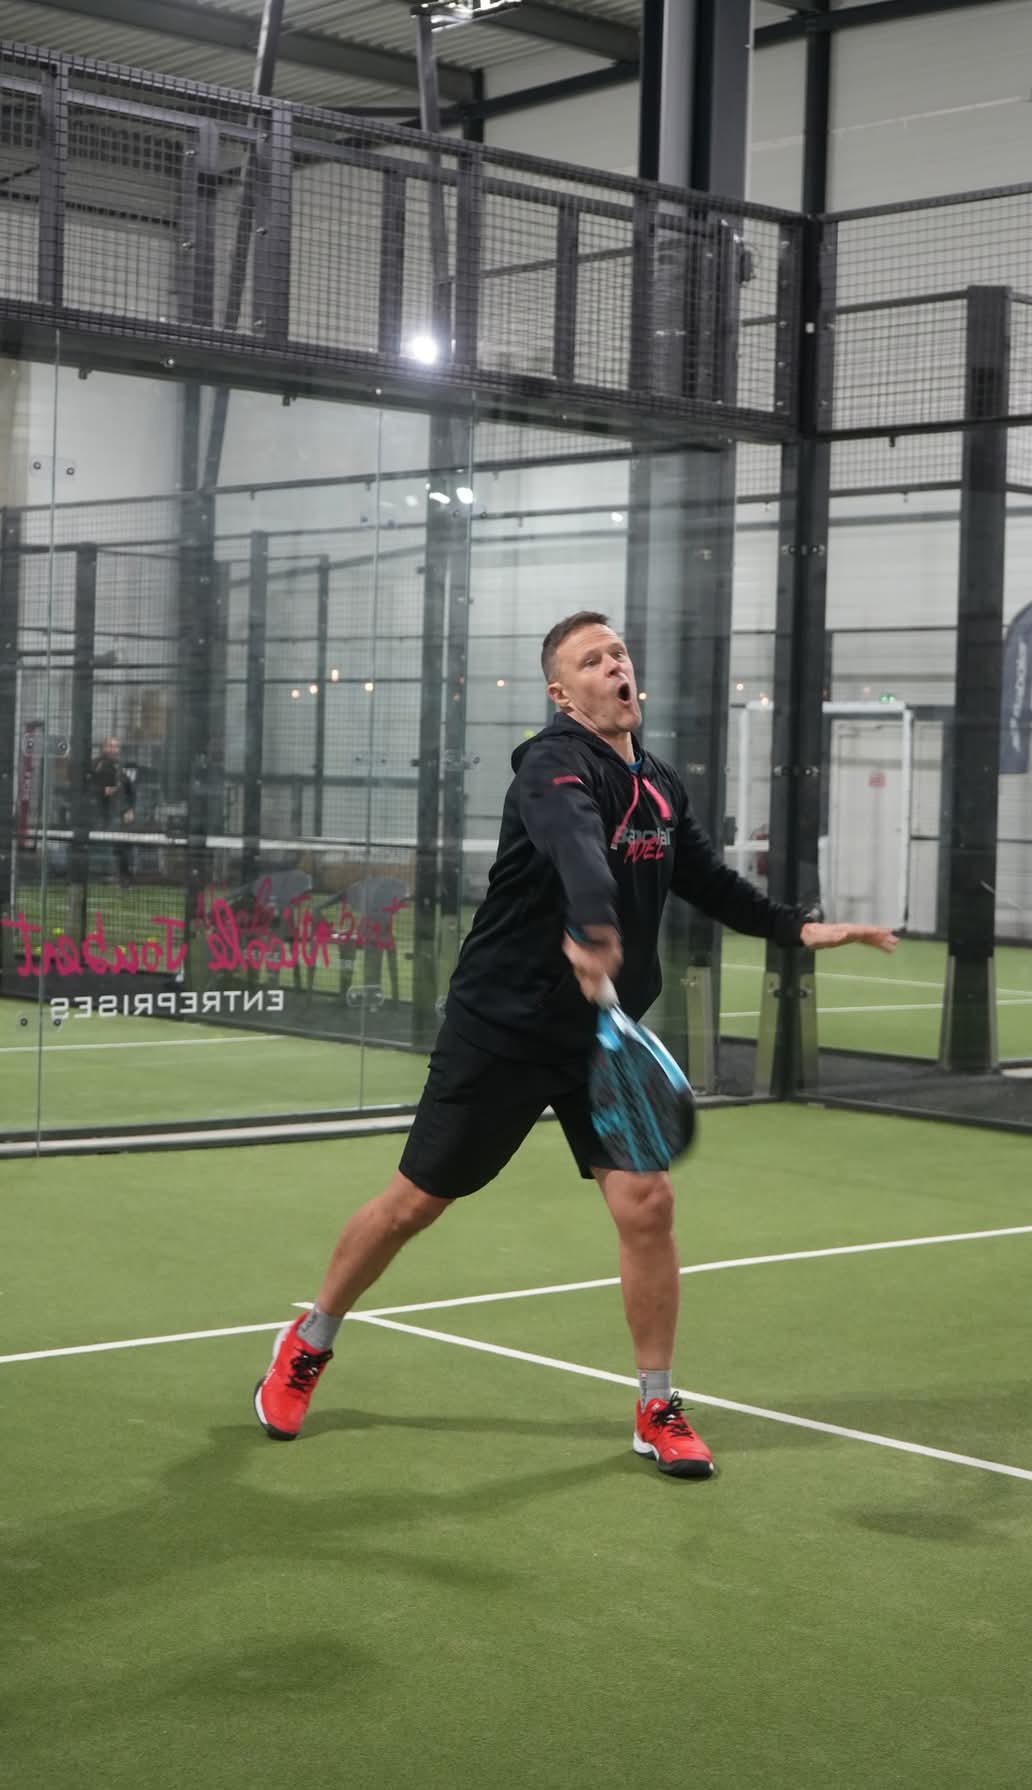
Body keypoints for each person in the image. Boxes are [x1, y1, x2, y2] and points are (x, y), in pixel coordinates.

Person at [254, 613, 898, 1477]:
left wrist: (798, 928)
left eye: (619, 653)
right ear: (564, 694)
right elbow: (576, 846)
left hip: (603, 1038)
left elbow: (703, 877)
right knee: (415, 1204)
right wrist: (595, 925)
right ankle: (311, 1337)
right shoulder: (551, 763)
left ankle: (657, 1403)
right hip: (505, 1029)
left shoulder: (657, 783)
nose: (615, 666)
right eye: (593, 661)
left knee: (649, 1205)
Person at [87, 736, 135, 888]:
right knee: (98, 845)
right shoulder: (96, 764)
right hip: (99, 813)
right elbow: (86, 787)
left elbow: (129, 790)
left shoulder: (120, 766)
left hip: (118, 813)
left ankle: (123, 879)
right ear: (104, 748)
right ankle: (97, 876)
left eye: (116, 746)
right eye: (111, 746)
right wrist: (103, 791)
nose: (115, 750)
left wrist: (129, 809)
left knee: (122, 845)